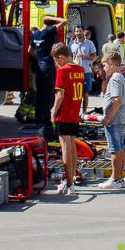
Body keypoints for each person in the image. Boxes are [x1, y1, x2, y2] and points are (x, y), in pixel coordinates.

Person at [51, 43, 85, 196]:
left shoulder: (62, 71)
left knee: (65, 147)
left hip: (64, 113)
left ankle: (69, 182)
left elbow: (60, 95)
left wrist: (53, 112)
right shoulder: (80, 70)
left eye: (56, 60)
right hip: (74, 112)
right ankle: (72, 177)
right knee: (72, 146)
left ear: (61, 57)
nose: (56, 64)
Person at [30, 15, 68, 139]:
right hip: (48, 65)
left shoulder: (35, 34)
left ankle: (38, 119)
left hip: (40, 65)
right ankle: (46, 121)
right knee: (48, 94)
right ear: (51, 24)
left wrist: (40, 59)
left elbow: (30, 51)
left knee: (40, 93)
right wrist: (53, 18)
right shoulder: (48, 32)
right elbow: (65, 22)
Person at [97, 53, 125, 189]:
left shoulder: (115, 79)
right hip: (120, 117)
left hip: (115, 119)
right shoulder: (121, 77)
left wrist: (108, 118)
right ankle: (119, 178)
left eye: (105, 65)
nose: (104, 68)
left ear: (111, 63)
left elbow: (117, 100)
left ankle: (115, 179)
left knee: (114, 149)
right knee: (120, 148)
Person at [69, 26, 97, 114]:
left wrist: (84, 56)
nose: (79, 33)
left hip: (86, 71)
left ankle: (84, 113)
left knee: (85, 93)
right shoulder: (71, 44)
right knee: (74, 94)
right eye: (77, 31)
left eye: (80, 31)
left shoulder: (89, 43)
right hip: (74, 72)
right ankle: (74, 112)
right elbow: (69, 57)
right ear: (74, 33)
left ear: (83, 32)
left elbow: (94, 56)